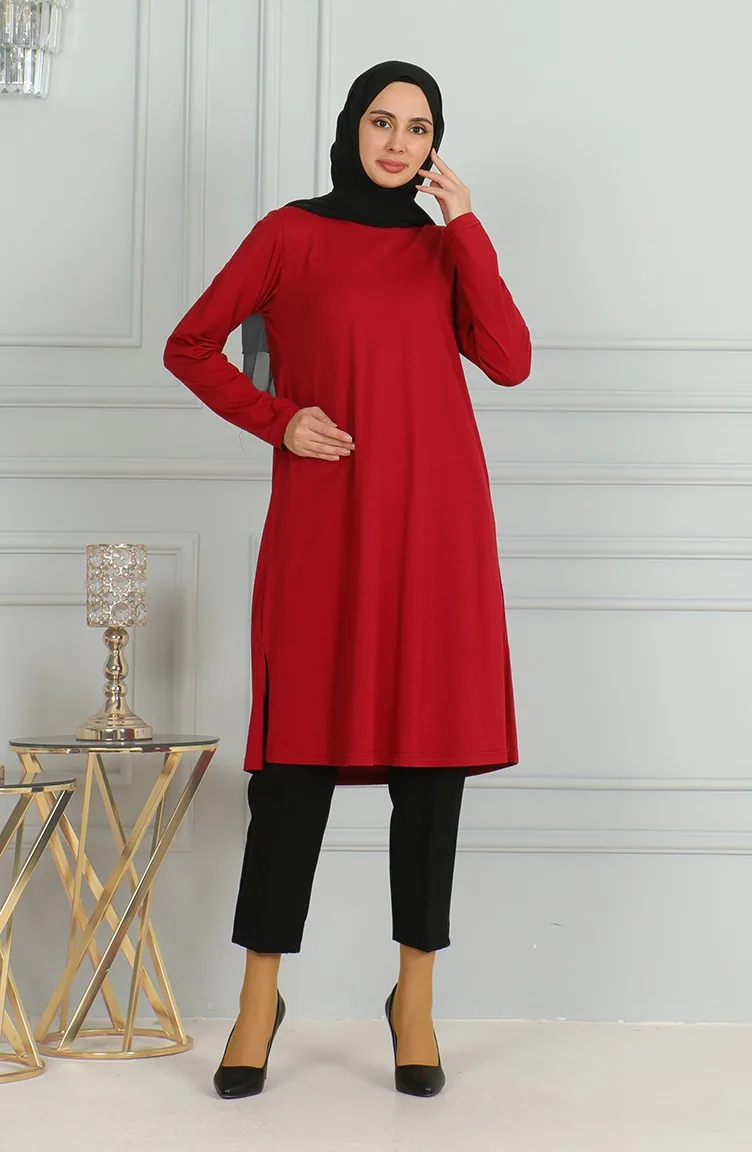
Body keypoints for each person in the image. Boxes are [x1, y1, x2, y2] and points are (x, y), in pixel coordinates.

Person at [163, 59, 531, 1100]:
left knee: (431, 769)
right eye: (382, 121)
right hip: (325, 527)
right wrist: (279, 420)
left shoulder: (444, 249)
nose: (398, 143)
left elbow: (509, 360)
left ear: (433, 146)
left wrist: (467, 226)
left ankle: (413, 1001)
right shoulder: (290, 234)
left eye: (418, 128)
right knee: (294, 770)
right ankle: (257, 1002)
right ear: (351, 128)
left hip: (438, 533)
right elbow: (192, 345)